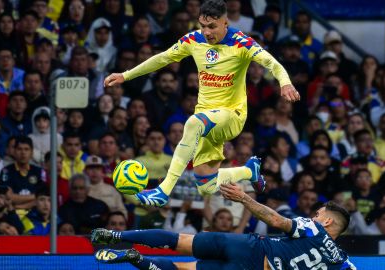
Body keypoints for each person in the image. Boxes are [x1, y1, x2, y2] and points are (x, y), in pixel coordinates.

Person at [104, 0, 299, 207]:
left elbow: (272, 63)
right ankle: (249, 171)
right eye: (202, 25)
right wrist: (125, 75)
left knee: (193, 123)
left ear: (225, 23)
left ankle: (163, 190)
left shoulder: (241, 42)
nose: (206, 31)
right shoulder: (194, 39)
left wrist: (285, 83)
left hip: (231, 116)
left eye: (212, 26)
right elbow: (163, 58)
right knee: (205, 184)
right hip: (207, 119)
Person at [92, 184, 355, 270]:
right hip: (250, 268)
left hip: (248, 245)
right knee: (186, 269)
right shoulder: (341, 262)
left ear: (328, 221)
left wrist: (244, 198)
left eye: (319, 213)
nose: (315, 215)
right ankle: (137, 259)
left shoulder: (313, 228)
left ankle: (116, 235)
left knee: (178, 240)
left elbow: (277, 221)